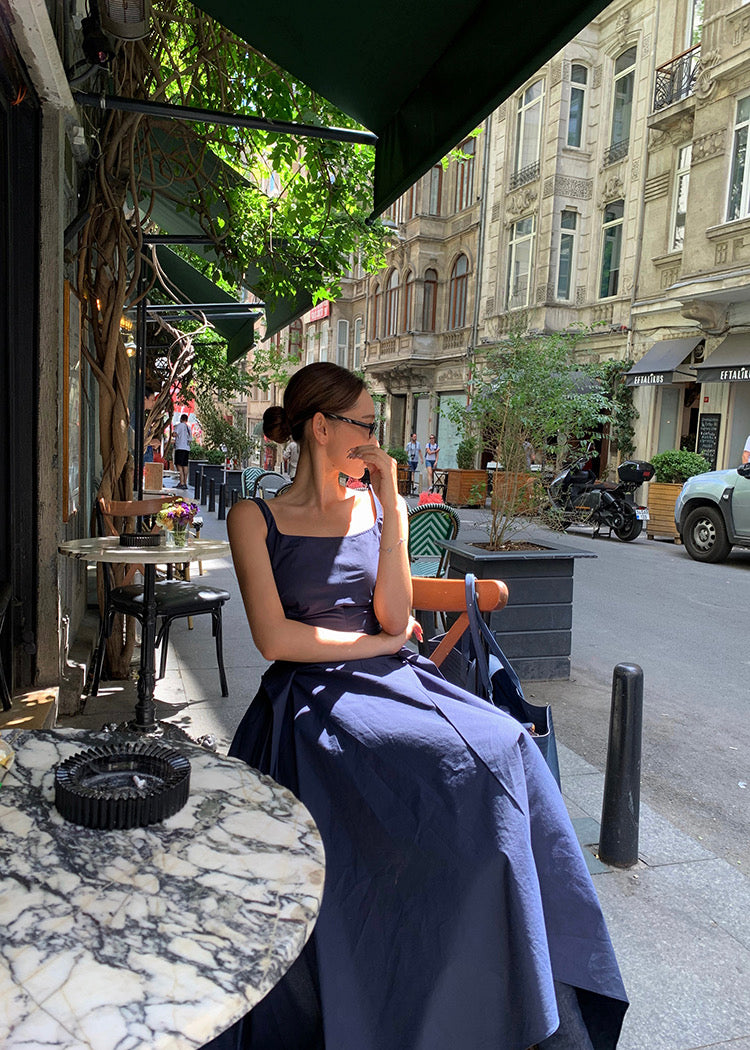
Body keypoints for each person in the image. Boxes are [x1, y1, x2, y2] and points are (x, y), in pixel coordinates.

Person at [213, 363, 627, 1050]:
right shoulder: (253, 516)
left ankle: (535, 981)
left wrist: (392, 509)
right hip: (309, 697)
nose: (376, 441)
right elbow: (275, 639)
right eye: (366, 426)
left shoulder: (376, 507)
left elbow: (394, 613)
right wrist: (374, 643)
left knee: (507, 746)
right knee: (455, 767)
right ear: (322, 428)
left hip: (391, 677)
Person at [173, 413, 192, 489]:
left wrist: (173, 432)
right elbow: (190, 439)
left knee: (179, 465)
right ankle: (185, 482)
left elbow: (174, 434)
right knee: (185, 465)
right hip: (186, 448)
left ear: (181, 419)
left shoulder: (179, 425)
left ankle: (181, 482)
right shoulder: (188, 428)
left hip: (180, 447)